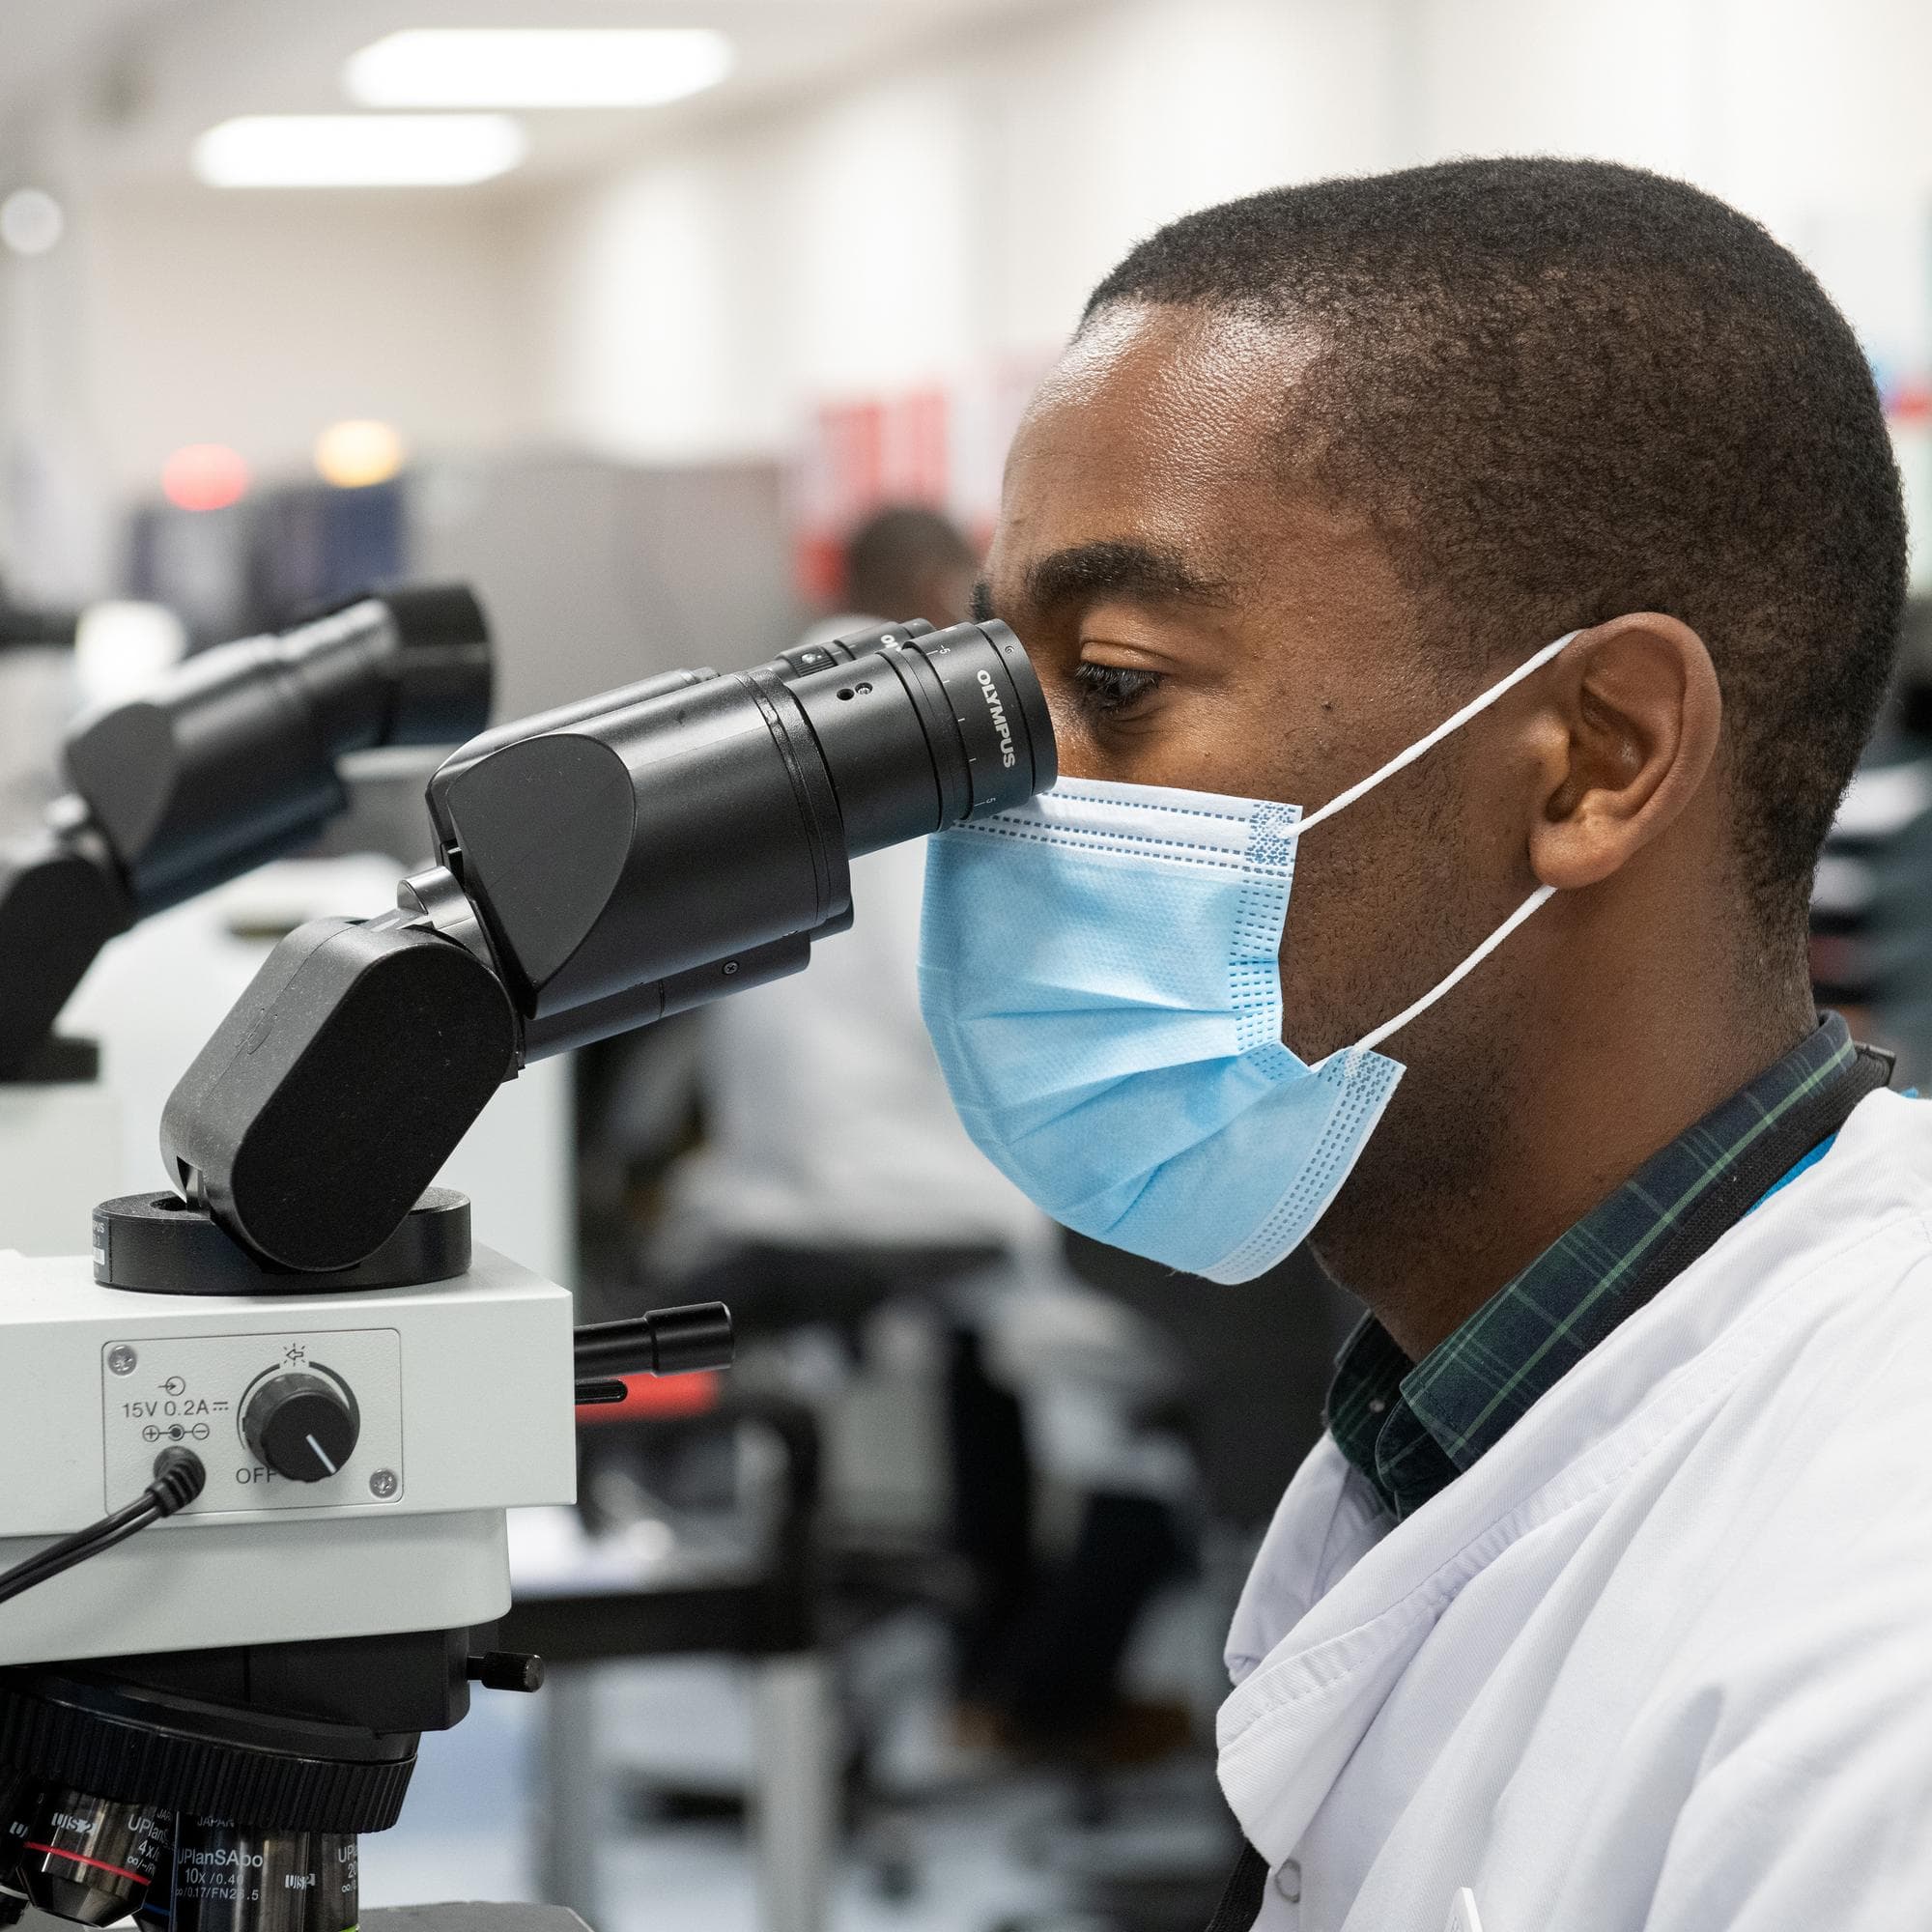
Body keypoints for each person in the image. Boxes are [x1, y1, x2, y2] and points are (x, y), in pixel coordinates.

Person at [916, 158, 1932, 1927]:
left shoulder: (1875, 1659)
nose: (1012, 795)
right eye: (1005, 689)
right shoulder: (1454, 1409)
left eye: (1121, 682)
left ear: (1596, 760)